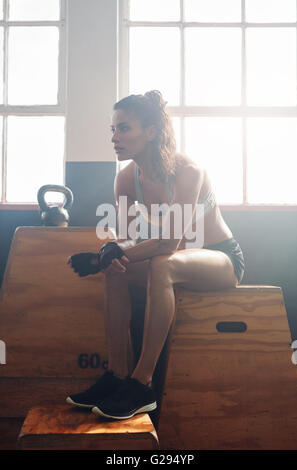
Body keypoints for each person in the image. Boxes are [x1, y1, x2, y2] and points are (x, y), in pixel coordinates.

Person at [66, 90, 245, 420]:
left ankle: (142, 384)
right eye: (112, 129)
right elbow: (124, 241)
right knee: (115, 269)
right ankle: (118, 375)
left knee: (162, 264)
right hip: (176, 261)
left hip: (219, 259)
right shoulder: (125, 179)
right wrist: (102, 258)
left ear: (151, 131)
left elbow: (169, 243)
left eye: (124, 129)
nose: (114, 138)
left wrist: (115, 251)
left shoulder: (188, 171)